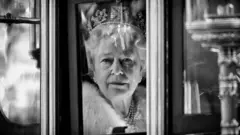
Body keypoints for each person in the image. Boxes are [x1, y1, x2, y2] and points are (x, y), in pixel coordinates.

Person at [81, 0, 146, 134]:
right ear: (92, 68)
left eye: (126, 60)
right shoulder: (81, 123)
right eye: (107, 60)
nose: (117, 70)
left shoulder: (158, 111)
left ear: (142, 68)